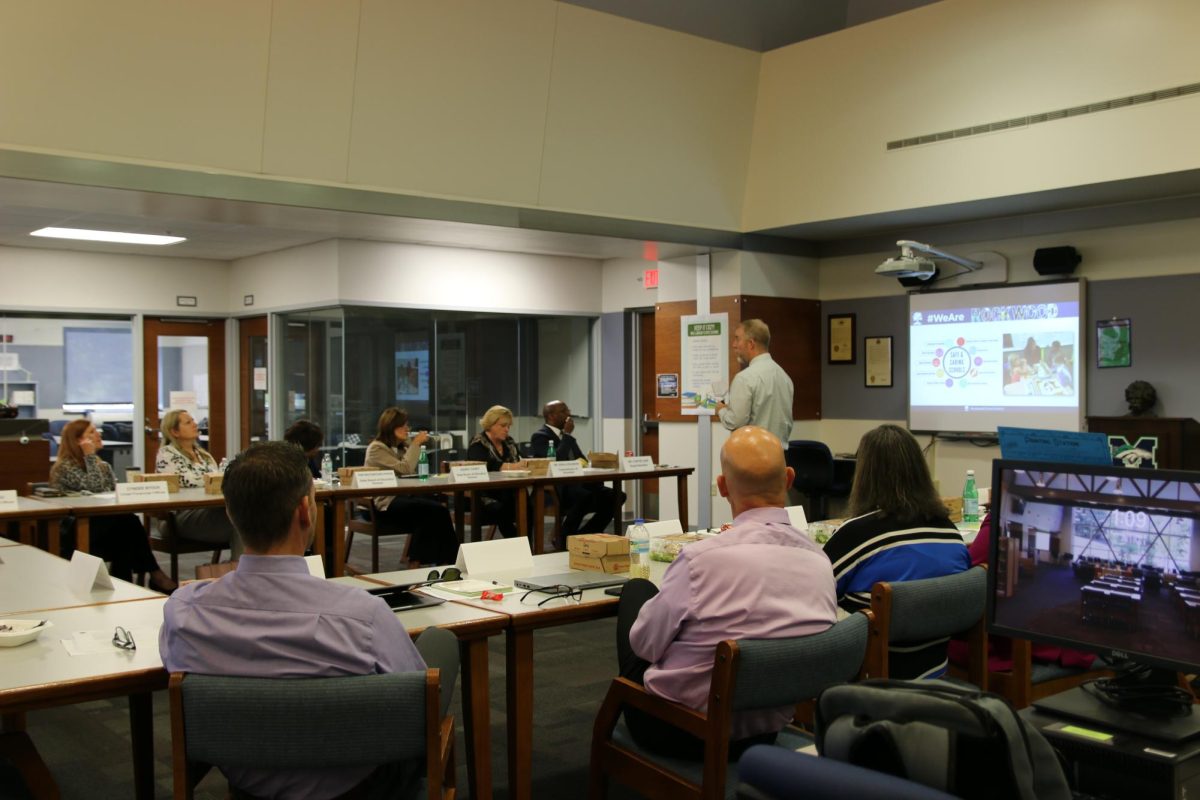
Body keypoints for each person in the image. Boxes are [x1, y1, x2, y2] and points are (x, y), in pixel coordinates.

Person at [159, 441, 428, 800]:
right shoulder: (363, 615)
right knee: (441, 646)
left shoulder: (184, 612)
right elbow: (416, 702)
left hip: (248, 784)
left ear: (230, 514)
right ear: (305, 509)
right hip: (357, 786)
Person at [617, 426, 838, 759]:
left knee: (636, 591)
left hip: (682, 730)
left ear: (721, 487)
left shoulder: (699, 561)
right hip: (766, 731)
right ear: (790, 478)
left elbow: (644, 645)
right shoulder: (820, 561)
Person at [822, 424, 969, 679]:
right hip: (935, 672)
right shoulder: (950, 533)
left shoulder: (858, 534)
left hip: (870, 678)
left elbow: (813, 593)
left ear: (864, 474)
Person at [49, 420, 176, 593]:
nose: (99, 435)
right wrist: (90, 456)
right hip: (78, 528)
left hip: (104, 527)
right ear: (78, 441)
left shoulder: (103, 465)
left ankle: (130, 583)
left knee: (124, 531)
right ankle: (152, 575)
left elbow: (111, 494)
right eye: (92, 432)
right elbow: (95, 487)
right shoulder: (64, 467)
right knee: (127, 523)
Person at [364, 407, 459, 566]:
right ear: (391, 427)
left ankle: (447, 561)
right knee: (429, 512)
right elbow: (405, 468)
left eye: (407, 426)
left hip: (403, 497)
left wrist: (410, 444)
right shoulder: (377, 448)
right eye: (403, 426)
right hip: (384, 502)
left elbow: (411, 470)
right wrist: (415, 444)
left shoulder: (400, 447)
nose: (407, 429)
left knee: (438, 510)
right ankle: (422, 561)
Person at [530, 400, 624, 538]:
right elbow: (557, 461)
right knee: (584, 496)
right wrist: (567, 436)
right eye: (564, 411)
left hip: (577, 484)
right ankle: (565, 538)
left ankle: (586, 535)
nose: (569, 413)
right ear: (551, 416)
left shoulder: (568, 438)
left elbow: (582, 461)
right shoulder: (540, 436)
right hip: (555, 489)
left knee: (617, 496)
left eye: (568, 409)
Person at [155, 409, 241, 559]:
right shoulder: (167, 454)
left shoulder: (203, 454)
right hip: (181, 515)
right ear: (174, 431)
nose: (195, 424)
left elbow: (219, 479)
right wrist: (212, 479)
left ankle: (241, 570)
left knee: (247, 519)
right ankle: (241, 573)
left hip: (210, 510)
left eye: (193, 421)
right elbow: (187, 480)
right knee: (241, 524)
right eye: (188, 422)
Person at [715, 319, 794, 446]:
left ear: (751, 344)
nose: (734, 345)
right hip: (779, 456)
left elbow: (735, 422)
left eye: (737, 339)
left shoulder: (745, 378)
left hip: (753, 457)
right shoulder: (785, 377)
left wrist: (721, 410)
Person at [465, 405, 527, 538]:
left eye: (508, 426)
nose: (507, 429)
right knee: (504, 508)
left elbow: (519, 461)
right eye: (503, 425)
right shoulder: (478, 443)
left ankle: (529, 546)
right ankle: (518, 544)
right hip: (484, 495)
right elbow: (484, 466)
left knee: (529, 504)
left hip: (507, 490)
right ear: (490, 425)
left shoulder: (509, 442)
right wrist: (512, 466)